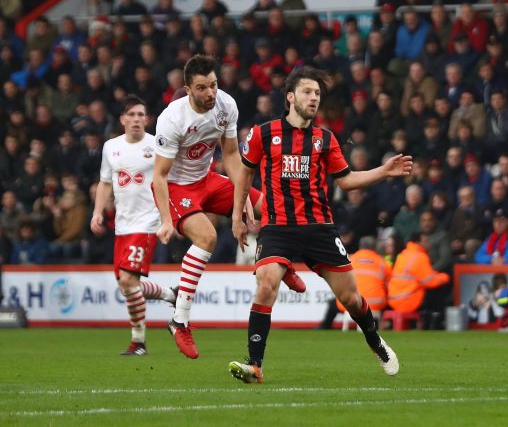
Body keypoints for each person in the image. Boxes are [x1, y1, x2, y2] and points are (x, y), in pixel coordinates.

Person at [229, 66, 409, 383]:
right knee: (266, 283)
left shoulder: (324, 139)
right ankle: (255, 365)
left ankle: (375, 341)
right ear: (290, 97)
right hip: (277, 227)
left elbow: (348, 180)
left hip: (319, 228)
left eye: (317, 94)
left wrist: (383, 170)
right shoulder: (263, 134)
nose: (314, 98)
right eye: (307, 92)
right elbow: (244, 173)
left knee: (351, 298)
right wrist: (237, 215)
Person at [152, 54, 304, 359]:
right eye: (202, 88)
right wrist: (167, 220)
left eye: (214, 85)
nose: (211, 93)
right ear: (187, 89)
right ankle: (180, 320)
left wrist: (243, 196)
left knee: (271, 206)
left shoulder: (226, 105)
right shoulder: (171, 120)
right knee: (207, 237)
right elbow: (159, 175)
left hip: (208, 179)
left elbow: (232, 156)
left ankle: (279, 259)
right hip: (177, 187)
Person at [90, 95, 176, 355]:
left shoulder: (157, 145)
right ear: (123, 119)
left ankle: (138, 341)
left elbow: (170, 180)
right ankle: (170, 294)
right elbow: (106, 182)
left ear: (147, 119)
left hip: (148, 222)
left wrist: (167, 218)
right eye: (132, 114)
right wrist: (97, 212)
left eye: (141, 114)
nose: (137, 119)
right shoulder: (110, 147)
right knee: (127, 285)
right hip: (122, 225)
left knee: (128, 281)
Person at [387, 231, 451, 315]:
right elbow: (430, 281)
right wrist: (445, 277)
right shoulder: (420, 257)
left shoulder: (404, 254)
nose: (429, 244)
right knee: (440, 286)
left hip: (394, 299)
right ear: (418, 242)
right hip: (408, 301)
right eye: (425, 241)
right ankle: (436, 317)